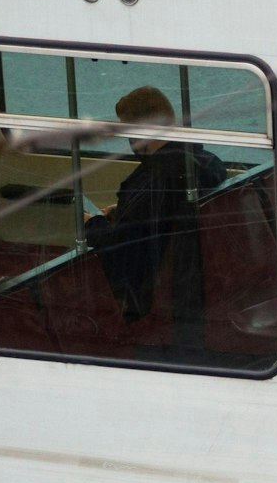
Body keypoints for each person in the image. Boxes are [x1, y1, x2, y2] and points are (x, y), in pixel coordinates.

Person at [82, 85, 225, 352]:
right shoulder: (207, 162)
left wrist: (94, 224)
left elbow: (123, 248)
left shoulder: (153, 179)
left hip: (151, 290)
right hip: (196, 282)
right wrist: (124, 208)